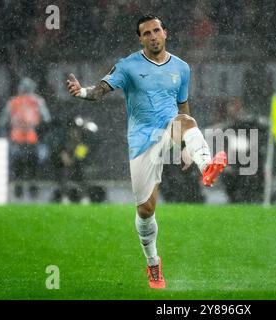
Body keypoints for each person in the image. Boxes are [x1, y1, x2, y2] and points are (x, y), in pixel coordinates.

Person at [66, 14, 227, 289]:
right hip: (142, 141)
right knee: (145, 210)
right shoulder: (128, 66)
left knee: (186, 121)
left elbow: (183, 109)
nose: (153, 36)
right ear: (140, 39)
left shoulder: (182, 68)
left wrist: (187, 146)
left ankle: (207, 167)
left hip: (170, 129)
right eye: (146, 33)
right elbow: (99, 91)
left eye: (156, 30)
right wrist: (81, 92)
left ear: (166, 33)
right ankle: (153, 263)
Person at [0, 77, 51, 200]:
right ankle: (32, 188)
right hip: (32, 138)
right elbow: (47, 118)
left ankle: (19, 188)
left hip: (16, 138)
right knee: (32, 165)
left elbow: (3, 120)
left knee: (18, 165)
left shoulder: (13, 101)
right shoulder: (37, 101)